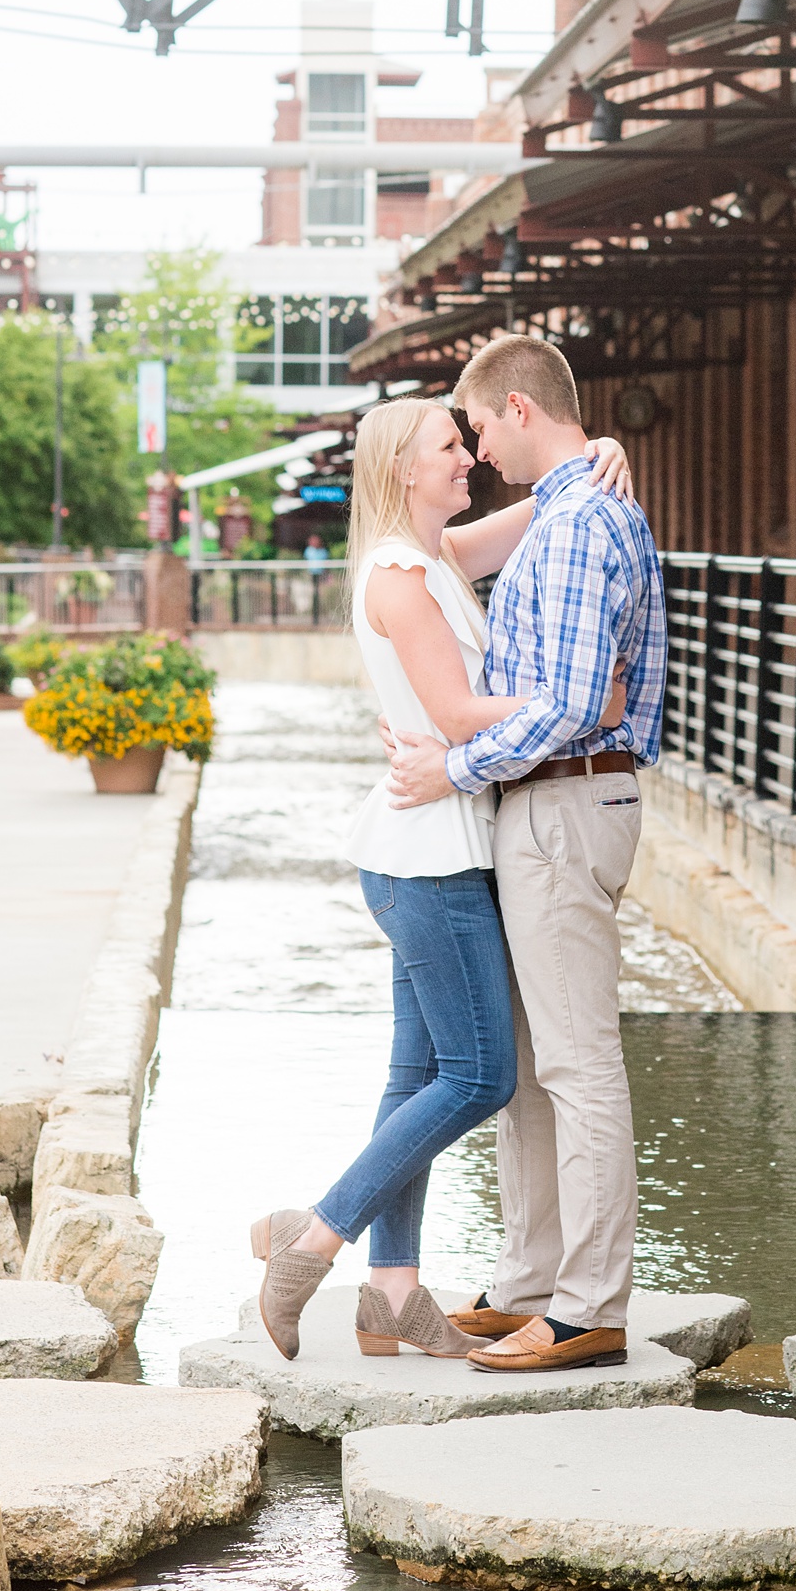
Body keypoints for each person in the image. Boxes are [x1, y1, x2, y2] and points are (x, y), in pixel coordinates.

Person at [248, 394, 633, 1361]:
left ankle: (391, 1288)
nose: (468, 457)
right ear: (401, 471)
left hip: (436, 846)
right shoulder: (399, 577)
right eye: (448, 446)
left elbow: (548, 502)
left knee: (414, 1075)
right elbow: (462, 716)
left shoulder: (438, 560)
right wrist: (584, 701)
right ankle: (316, 1237)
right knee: (480, 1074)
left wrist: (601, 451)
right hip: (431, 859)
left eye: (468, 439)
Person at [382, 335, 667, 1376]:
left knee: (578, 1063)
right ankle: (530, 1280)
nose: (476, 449)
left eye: (479, 428)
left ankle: (589, 1304)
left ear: (514, 407)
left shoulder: (583, 518)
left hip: (561, 800)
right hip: (541, 802)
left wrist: (452, 769)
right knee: (535, 1066)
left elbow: (578, 706)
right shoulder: (564, 504)